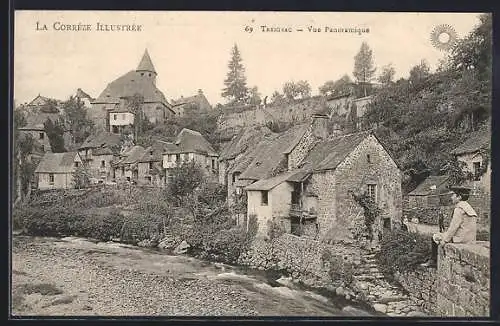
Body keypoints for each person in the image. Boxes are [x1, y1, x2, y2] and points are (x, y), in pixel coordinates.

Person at [421, 185, 477, 267]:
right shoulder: (468, 207)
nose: (451, 197)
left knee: (434, 237)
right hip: (469, 239)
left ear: (459, 197)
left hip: (460, 239)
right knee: (442, 234)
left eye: (453, 195)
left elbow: (453, 227)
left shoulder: (459, 209)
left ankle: (433, 261)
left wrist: (445, 240)